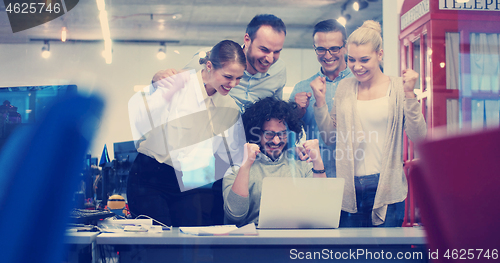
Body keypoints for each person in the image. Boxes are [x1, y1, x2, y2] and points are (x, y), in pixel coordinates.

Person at [311, 20, 427, 227]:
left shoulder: (398, 88)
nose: (357, 67)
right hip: (349, 190)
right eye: (352, 60)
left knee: (384, 257)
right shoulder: (345, 87)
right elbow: (330, 139)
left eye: (364, 59)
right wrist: (320, 103)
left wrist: (410, 94)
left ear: (379, 54)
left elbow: (419, 137)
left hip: (387, 188)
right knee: (351, 256)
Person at [127, 40, 247, 227]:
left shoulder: (229, 107)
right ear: (209, 66)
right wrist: (164, 93)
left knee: (190, 247)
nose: (233, 84)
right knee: (157, 247)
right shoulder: (178, 85)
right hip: (150, 177)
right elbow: (141, 122)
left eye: (238, 78)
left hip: (189, 181)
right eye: (228, 76)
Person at [223, 97, 326, 226]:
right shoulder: (236, 169)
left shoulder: (301, 163)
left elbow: (323, 209)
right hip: (252, 241)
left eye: (282, 134)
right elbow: (235, 215)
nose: (276, 141)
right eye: (269, 134)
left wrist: (318, 161)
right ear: (255, 133)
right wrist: (246, 166)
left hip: (296, 239)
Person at [153, 14, 287, 112]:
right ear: (247, 39)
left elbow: (275, 111)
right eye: (264, 49)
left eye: (276, 51)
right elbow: (172, 91)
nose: (270, 58)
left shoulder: (279, 70)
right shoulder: (210, 58)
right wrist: (157, 79)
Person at [289, 19, 353, 178]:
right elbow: (285, 136)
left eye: (334, 48)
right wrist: (296, 113)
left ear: (345, 47)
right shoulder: (301, 89)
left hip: (357, 179)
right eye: (321, 49)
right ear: (314, 48)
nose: (328, 55)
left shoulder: (361, 83)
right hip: (317, 177)